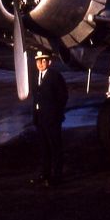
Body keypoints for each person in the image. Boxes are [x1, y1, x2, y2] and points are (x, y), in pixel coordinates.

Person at [31, 50, 68, 187]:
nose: (41, 63)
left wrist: (57, 114)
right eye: (38, 61)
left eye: (44, 61)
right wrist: (35, 116)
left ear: (49, 62)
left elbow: (63, 96)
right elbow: (36, 98)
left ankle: (57, 176)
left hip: (52, 119)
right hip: (40, 118)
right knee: (44, 148)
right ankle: (44, 174)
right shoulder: (36, 76)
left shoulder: (55, 76)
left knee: (55, 147)